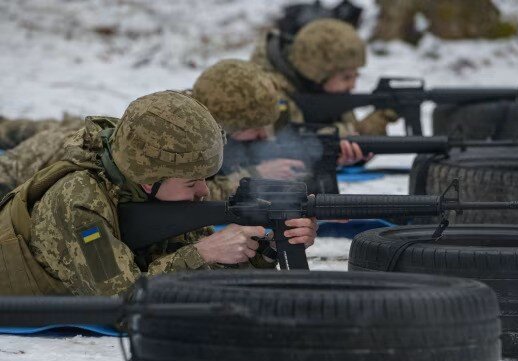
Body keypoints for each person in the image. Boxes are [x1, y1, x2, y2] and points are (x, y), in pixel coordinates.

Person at [0, 91, 317, 296]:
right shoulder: (78, 200)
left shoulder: (145, 195)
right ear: (150, 180)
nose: (204, 191)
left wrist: (269, 247)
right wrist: (202, 253)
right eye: (192, 182)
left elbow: (203, 280)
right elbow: (122, 304)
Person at [192, 59, 369, 198]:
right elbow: (191, 196)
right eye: (254, 128)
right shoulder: (184, 135)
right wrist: (254, 176)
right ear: (222, 125)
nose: (263, 134)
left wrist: (329, 157)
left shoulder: (246, 123)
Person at [251, 18, 399, 143]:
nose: (353, 85)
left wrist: (379, 120)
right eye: (346, 77)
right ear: (317, 73)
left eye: (356, 76)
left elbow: (354, 149)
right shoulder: (269, 92)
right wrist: (355, 131)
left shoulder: (328, 94)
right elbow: (293, 144)